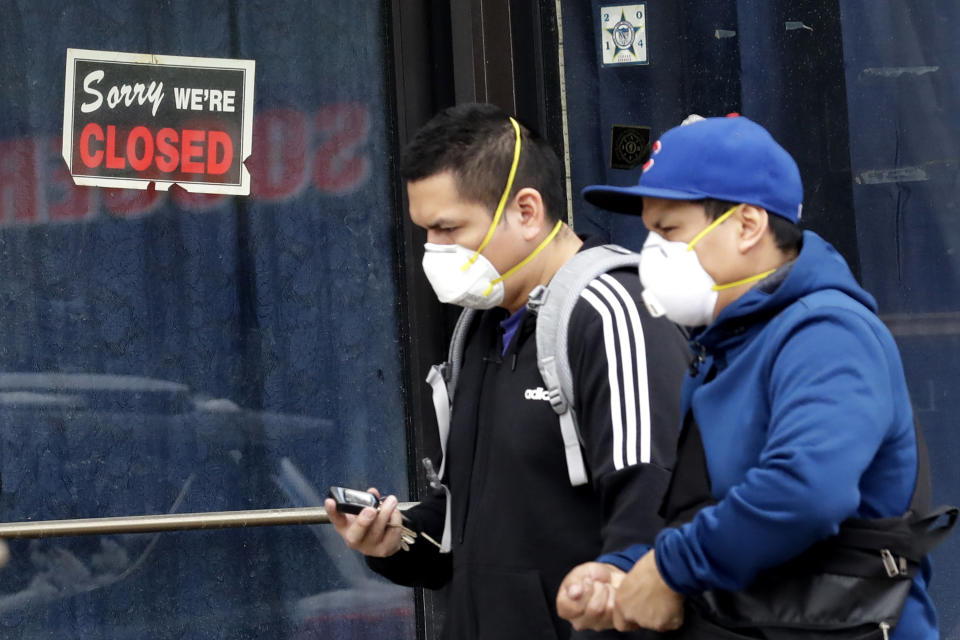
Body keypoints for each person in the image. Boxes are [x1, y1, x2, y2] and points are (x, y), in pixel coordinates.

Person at [555, 114, 951, 639]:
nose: (652, 251)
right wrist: (624, 571)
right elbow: (710, 508)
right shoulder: (727, 342)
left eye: (668, 231)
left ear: (746, 225)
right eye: (649, 232)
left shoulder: (826, 332)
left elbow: (805, 491)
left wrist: (671, 571)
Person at [323, 103, 690, 639]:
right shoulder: (478, 327)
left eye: (449, 228)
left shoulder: (612, 312)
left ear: (526, 210)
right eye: (425, 230)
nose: (434, 250)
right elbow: (470, 535)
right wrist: (396, 541)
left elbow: (654, 511)